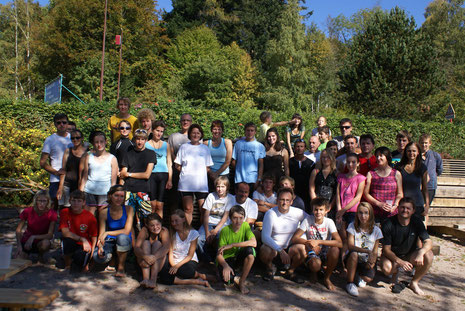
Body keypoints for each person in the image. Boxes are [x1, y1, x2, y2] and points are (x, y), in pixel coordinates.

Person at [380, 197, 434, 295]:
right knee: (387, 269)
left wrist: (421, 252)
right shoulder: (388, 223)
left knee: (429, 255)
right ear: (398, 208)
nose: (405, 210)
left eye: (408, 208)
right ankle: (394, 274)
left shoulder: (417, 222)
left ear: (413, 211)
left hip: (409, 254)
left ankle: (414, 282)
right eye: (402, 207)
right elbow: (386, 250)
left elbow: (428, 242)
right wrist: (400, 262)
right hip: (391, 256)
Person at [290, 197, 342, 290]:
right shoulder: (308, 220)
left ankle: (327, 278)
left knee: (335, 250)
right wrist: (309, 243)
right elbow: (295, 238)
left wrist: (319, 242)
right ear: (312, 210)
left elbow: (339, 243)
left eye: (321, 210)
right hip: (312, 249)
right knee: (315, 265)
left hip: (325, 249)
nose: (318, 212)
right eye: (316, 210)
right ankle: (313, 272)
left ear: (326, 210)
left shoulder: (329, 222)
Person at [260, 188, 306, 281]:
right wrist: (280, 250)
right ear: (277, 200)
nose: (284, 203)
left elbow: (311, 221)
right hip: (274, 249)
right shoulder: (270, 213)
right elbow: (265, 237)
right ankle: (270, 268)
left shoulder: (298, 212)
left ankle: (291, 271)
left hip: (290, 248)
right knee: (264, 250)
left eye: (287, 200)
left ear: (291, 202)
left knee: (302, 249)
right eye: (282, 200)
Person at [158, 210, 211, 287]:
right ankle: (194, 281)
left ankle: (198, 275)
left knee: (186, 270)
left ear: (183, 219)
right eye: (172, 221)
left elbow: (190, 255)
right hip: (174, 261)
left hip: (188, 261)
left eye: (176, 221)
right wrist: (174, 265)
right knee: (163, 275)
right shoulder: (172, 233)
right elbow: (171, 253)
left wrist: (177, 267)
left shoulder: (193, 233)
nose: (174, 224)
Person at [175, 124, 213, 225]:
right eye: (193, 133)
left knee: (203, 209)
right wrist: (187, 173)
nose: (195, 135)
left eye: (198, 133)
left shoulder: (205, 149)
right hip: (186, 184)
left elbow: (207, 167)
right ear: (190, 134)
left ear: (201, 135)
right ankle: (189, 233)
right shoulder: (184, 147)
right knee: (188, 209)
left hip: (201, 184)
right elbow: (177, 165)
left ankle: (202, 233)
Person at [93, 185, 134, 277]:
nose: (119, 199)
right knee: (97, 257)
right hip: (110, 241)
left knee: (122, 238)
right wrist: (100, 247)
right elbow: (101, 234)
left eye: (121, 196)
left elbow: (127, 231)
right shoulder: (104, 212)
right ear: (110, 196)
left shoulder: (129, 209)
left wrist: (107, 233)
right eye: (116, 195)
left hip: (124, 239)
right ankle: (112, 257)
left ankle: (120, 267)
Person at [345, 202, 383, 297]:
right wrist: (366, 251)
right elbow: (350, 246)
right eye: (360, 213)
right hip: (353, 257)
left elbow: (375, 249)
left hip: (366, 259)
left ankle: (356, 275)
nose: (363, 216)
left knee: (368, 278)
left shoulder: (376, 230)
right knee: (354, 254)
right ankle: (350, 283)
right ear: (357, 214)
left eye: (366, 213)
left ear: (370, 214)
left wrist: (373, 261)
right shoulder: (352, 226)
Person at [217, 205, 257, 294]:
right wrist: (225, 266)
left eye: (241, 218)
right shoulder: (225, 231)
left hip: (238, 256)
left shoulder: (245, 226)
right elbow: (219, 254)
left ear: (244, 218)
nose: (238, 221)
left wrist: (232, 245)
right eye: (235, 218)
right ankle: (232, 275)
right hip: (227, 258)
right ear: (230, 218)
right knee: (228, 281)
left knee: (251, 252)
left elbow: (254, 243)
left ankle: (241, 282)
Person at [120, 129, 156, 225]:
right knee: (128, 219)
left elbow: (146, 175)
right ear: (134, 140)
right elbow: (123, 173)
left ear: (146, 140)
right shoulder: (128, 154)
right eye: (137, 139)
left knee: (147, 219)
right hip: (128, 190)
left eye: (142, 139)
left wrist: (129, 174)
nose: (140, 142)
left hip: (143, 190)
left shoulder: (151, 154)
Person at [336, 153, 366, 264]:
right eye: (348, 162)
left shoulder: (361, 178)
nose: (351, 164)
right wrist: (339, 210)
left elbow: (358, 197)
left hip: (353, 211)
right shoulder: (341, 177)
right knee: (342, 238)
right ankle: (342, 263)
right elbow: (338, 194)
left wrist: (343, 210)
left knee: (351, 239)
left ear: (358, 163)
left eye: (353, 162)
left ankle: (351, 263)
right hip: (341, 211)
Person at [79, 131, 118, 214]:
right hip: (89, 192)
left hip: (105, 193)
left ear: (106, 142)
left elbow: (113, 181)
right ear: (93, 143)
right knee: (89, 217)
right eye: (96, 142)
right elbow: (84, 177)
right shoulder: (88, 157)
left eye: (101, 141)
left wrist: (112, 195)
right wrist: (80, 192)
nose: (99, 144)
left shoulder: (112, 158)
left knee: (103, 218)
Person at [198, 176, 235, 262]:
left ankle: (219, 261)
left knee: (220, 239)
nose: (220, 189)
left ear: (227, 187)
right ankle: (206, 260)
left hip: (222, 225)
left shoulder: (230, 198)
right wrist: (207, 232)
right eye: (218, 186)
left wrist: (215, 231)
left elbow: (225, 216)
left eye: (223, 187)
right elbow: (206, 214)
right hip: (209, 223)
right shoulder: (211, 196)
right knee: (199, 239)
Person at [59, 190, 98, 272]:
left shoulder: (90, 217)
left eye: (79, 201)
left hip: (84, 246)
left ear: (84, 203)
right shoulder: (64, 212)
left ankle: (82, 263)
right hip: (74, 241)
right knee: (67, 241)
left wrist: (91, 258)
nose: (76, 203)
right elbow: (65, 233)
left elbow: (94, 238)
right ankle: (67, 265)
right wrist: (82, 239)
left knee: (80, 259)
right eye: (73, 201)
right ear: (69, 201)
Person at [40, 113, 72, 209]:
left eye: (64, 122)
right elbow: (42, 162)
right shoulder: (50, 140)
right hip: (55, 179)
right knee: (54, 206)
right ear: (54, 124)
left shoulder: (74, 138)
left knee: (70, 208)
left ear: (67, 123)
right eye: (58, 123)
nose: (61, 125)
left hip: (71, 178)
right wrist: (56, 172)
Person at [15, 190, 57, 262]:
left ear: (48, 202)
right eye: (39, 201)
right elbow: (18, 230)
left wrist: (33, 237)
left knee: (46, 243)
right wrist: (19, 245)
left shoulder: (52, 214)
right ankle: (26, 254)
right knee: (18, 260)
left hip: (40, 241)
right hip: (26, 241)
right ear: (35, 201)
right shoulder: (28, 211)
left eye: (44, 201)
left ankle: (41, 255)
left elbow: (50, 235)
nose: (42, 203)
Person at [364, 147, 403, 222]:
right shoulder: (370, 174)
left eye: (381, 155)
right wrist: (378, 204)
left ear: (387, 157)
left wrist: (395, 205)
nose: (378, 158)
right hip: (375, 213)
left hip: (392, 213)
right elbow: (366, 194)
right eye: (377, 156)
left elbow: (400, 193)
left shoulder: (396, 173)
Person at [145, 120, 173, 219]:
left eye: (161, 131)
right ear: (152, 130)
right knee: (152, 205)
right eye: (157, 131)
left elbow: (169, 163)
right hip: (151, 175)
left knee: (160, 205)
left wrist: (170, 179)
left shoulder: (166, 145)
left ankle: (159, 230)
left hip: (163, 175)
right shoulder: (146, 144)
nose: (159, 133)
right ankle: (150, 227)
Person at [134, 213, 170, 289]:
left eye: (157, 224)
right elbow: (136, 248)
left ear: (161, 223)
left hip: (158, 263)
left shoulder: (164, 231)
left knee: (157, 244)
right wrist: (145, 257)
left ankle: (153, 280)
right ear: (147, 225)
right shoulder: (144, 230)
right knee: (146, 243)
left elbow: (166, 247)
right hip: (144, 264)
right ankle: (146, 279)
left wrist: (153, 257)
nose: (155, 227)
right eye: (152, 225)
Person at [396, 142, 430, 221]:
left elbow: (425, 188)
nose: (411, 153)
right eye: (409, 151)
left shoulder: (422, 167)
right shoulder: (399, 167)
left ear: (418, 152)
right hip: (402, 205)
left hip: (417, 204)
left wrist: (427, 205)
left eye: (414, 151)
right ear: (406, 152)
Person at [57, 129, 88, 208]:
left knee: (81, 208)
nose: (75, 140)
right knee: (67, 208)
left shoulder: (88, 152)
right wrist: (60, 188)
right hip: (68, 184)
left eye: (78, 137)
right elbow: (63, 170)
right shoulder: (68, 151)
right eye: (73, 138)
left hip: (83, 184)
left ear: (82, 138)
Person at [232, 122, 265, 192]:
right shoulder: (238, 144)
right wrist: (237, 171)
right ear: (245, 131)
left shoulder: (260, 146)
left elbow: (261, 164)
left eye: (252, 130)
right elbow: (234, 161)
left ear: (255, 132)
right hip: (239, 179)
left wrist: (259, 179)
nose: (250, 132)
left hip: (252, 179)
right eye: (248, 130)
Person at [309, 149, 338, 218]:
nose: (325, 159)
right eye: (323, 157)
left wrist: (330, 206)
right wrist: (316, 203)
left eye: (328, 157)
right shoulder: (315, 172)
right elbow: (311, 189)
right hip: (317, 204)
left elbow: (337, 192)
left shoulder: (336, 173)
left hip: (330, 205)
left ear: (331, 158)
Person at [204, 120, 232, 189]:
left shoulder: (227, 142)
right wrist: (211, 173)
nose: (217, 131)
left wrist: (216, 174)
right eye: (214, 129)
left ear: (222, 131)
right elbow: (203, 162)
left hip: (224, 175)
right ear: (211, 130)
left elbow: (228, 161)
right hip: (209, 175)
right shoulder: (206, 143)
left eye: (219, 129)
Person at [289, 139, 314, 209]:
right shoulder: (289, 162)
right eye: (297, 146)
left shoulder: (311, 163)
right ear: (294, 148)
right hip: (294, 192)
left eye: (301, 146)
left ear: (305, 148)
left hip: (306, 192)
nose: (299, 148)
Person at [419, 134, 443, 205]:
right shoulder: (415, 155)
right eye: (422, 142)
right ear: (419, 143)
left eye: (426, 143)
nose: (424, 145)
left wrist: (432, 175)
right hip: (418, 185)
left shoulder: (435, 155)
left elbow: (439, 169)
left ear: (430, 143)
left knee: (426, 207)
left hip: (430, 186)